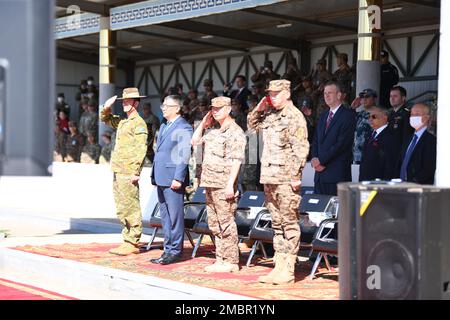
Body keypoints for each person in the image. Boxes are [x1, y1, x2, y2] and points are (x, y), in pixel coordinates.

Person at [248, 79, 309, 285]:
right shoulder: (271, 115)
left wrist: (296, 177)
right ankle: (279, 266)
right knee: (277, 225)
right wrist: (260, 107)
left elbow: (301, 149)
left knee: (289, 224)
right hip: (269, 177)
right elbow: (251, 125)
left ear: (287, 93)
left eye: (276, 93)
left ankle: (289, 269)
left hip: (285, 179)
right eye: (270, 94)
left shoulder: (294, 116)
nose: (272, 97)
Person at [191, 96, 246, 273]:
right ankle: (221, 258)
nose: (215, 111)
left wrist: (231, 184)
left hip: (223, 184)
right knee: (214, 224)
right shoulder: (213, 130)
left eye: (219, 108)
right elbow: (194, 142)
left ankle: (231, 261)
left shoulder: (235, 131)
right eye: (213, 109)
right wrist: (204, 123)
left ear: (228, 109)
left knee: (226, 223)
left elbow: (237, 160)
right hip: (210, 182)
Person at [100, 88, 148, 256]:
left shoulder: (139, 123)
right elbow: (105, 119)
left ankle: (133, 241)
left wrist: (136, 171)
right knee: (121, 206)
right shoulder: (123, 121)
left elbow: (141, 149)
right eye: (123, 101)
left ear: (136, 102)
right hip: (118, 169)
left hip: (129, 171)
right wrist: (106, 107)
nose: (124, 103)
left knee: (131, 206)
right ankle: (127, 239)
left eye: (128, 101)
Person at [150, 95, 193, 265]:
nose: (163, 108)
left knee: (175, 217)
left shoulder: (184, 127)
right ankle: (168, 250)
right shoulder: (164, 125)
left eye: (167, 106)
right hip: (161, 177)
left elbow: (183, 155)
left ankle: (175, 250)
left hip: (173, 178)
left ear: (177, 108)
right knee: (166, 217)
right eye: (163, 105)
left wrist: (178, 178)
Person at [311, 81, 356, 196]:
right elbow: (316, 140)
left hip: (336, 175)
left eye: (329, 93)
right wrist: (315, 159)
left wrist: (321, 160)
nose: (326, 96)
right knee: (318, 211)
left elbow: (341, 144)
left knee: (336, 212)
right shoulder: (323, 115)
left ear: (339, 95)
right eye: (325, 93)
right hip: (320, 176)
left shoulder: (348, 115)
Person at [359, 106, 401, 181]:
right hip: (366, 181)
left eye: (374, 116)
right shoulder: (369, 134)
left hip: (380, 183)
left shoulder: (391, 136)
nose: (370, 119)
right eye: (369, 116)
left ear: (385, 117)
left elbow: (390, 164)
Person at [397, 103, 436, 184]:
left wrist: (413, 183)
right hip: (402, 185)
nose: (413, 117)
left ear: (426, 117)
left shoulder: (431, 140)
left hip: (418, 188)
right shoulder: (408, 139)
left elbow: (429, 168)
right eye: (411, 114)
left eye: (417, 114)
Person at [353, 89, 377, 164]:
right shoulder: (359, 114)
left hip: (370, 157)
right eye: (362, 97)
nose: (364, 99)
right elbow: (345, 122)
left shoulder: (379, 114)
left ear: (374, 99)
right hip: (356, 156)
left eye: (367, 96)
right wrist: (352, 108)